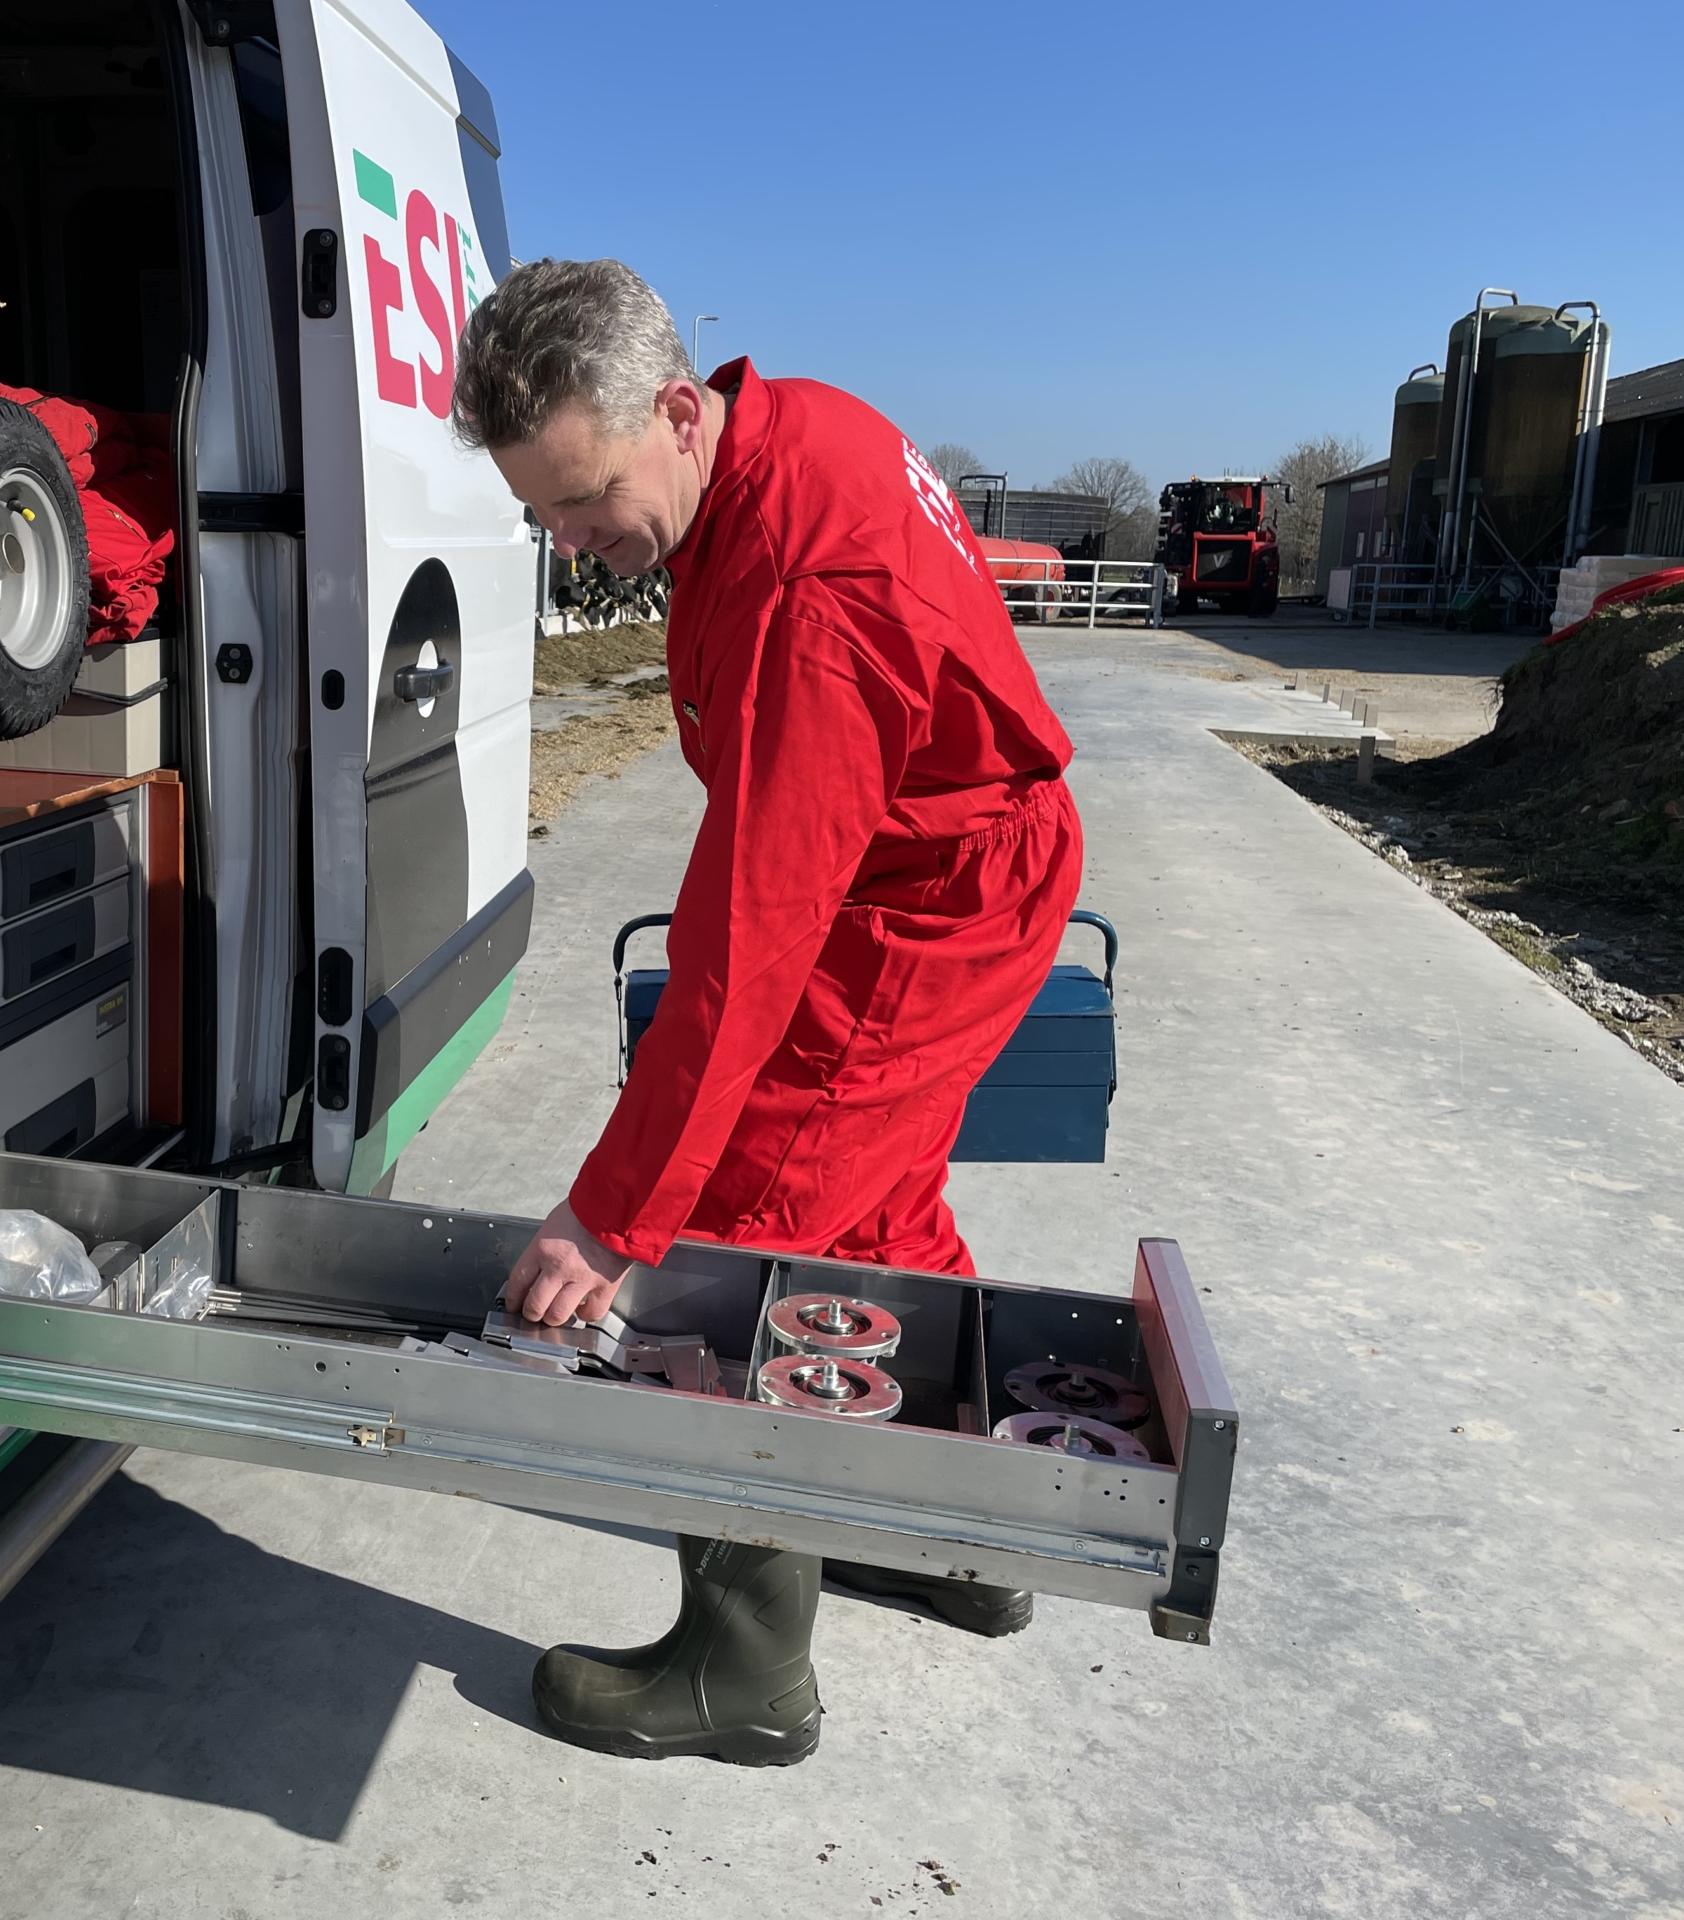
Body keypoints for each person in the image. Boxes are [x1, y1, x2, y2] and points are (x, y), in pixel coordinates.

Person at [450, 260, 1084, 1766]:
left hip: (921, 898)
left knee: (741, 1232)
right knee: (876, 1213)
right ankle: (953, 1536)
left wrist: (619, 1214)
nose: (572, 543)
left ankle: (742, 1673)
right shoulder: (777, 432)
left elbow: (749, 944)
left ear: (678, 413)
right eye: (541, 513)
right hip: (937, 857)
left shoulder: (809, 594)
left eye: (585, 499)